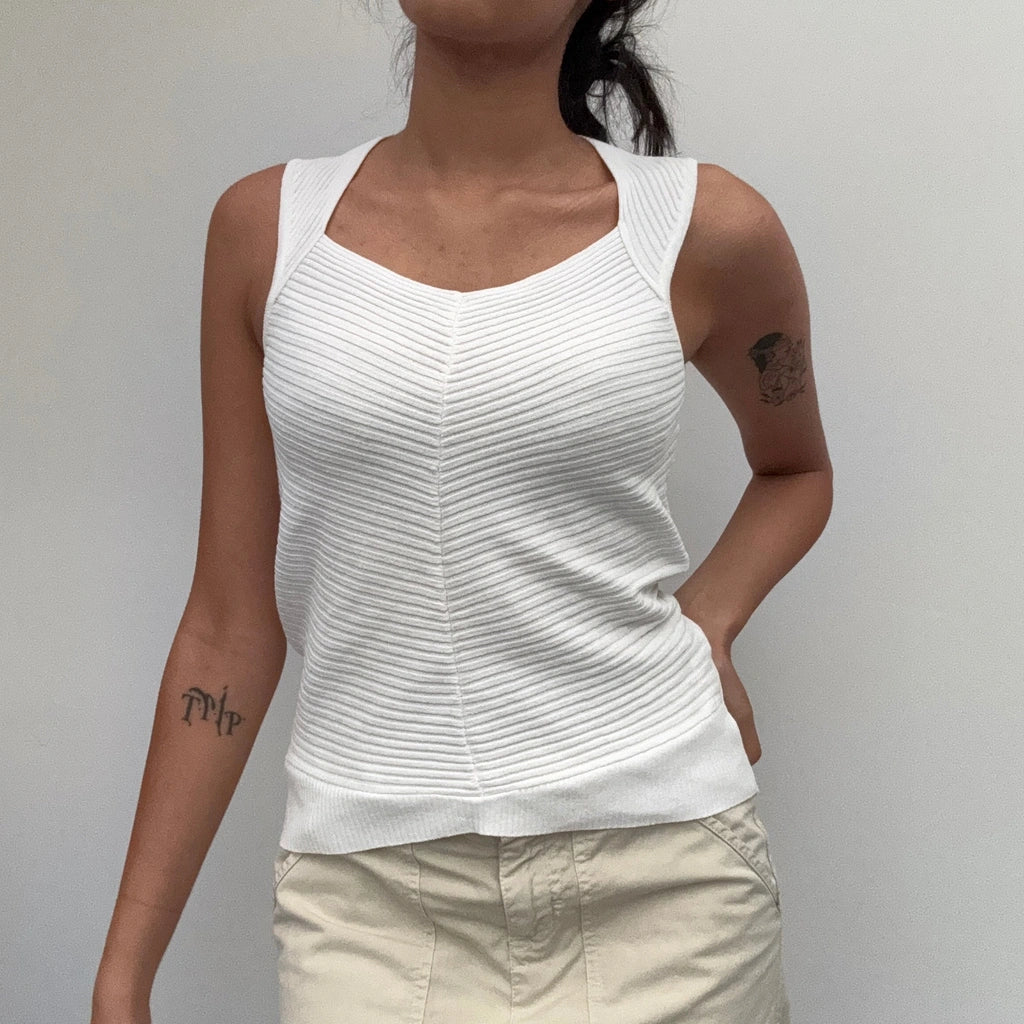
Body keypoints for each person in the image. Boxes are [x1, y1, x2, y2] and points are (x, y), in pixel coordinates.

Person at [92, 1, 832, 1022]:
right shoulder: (266, 235)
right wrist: (125, 970)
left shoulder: (704, 229)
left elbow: (795, 470)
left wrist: (708, 617)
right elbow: (229, 622)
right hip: (366, 908)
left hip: (668, 883)